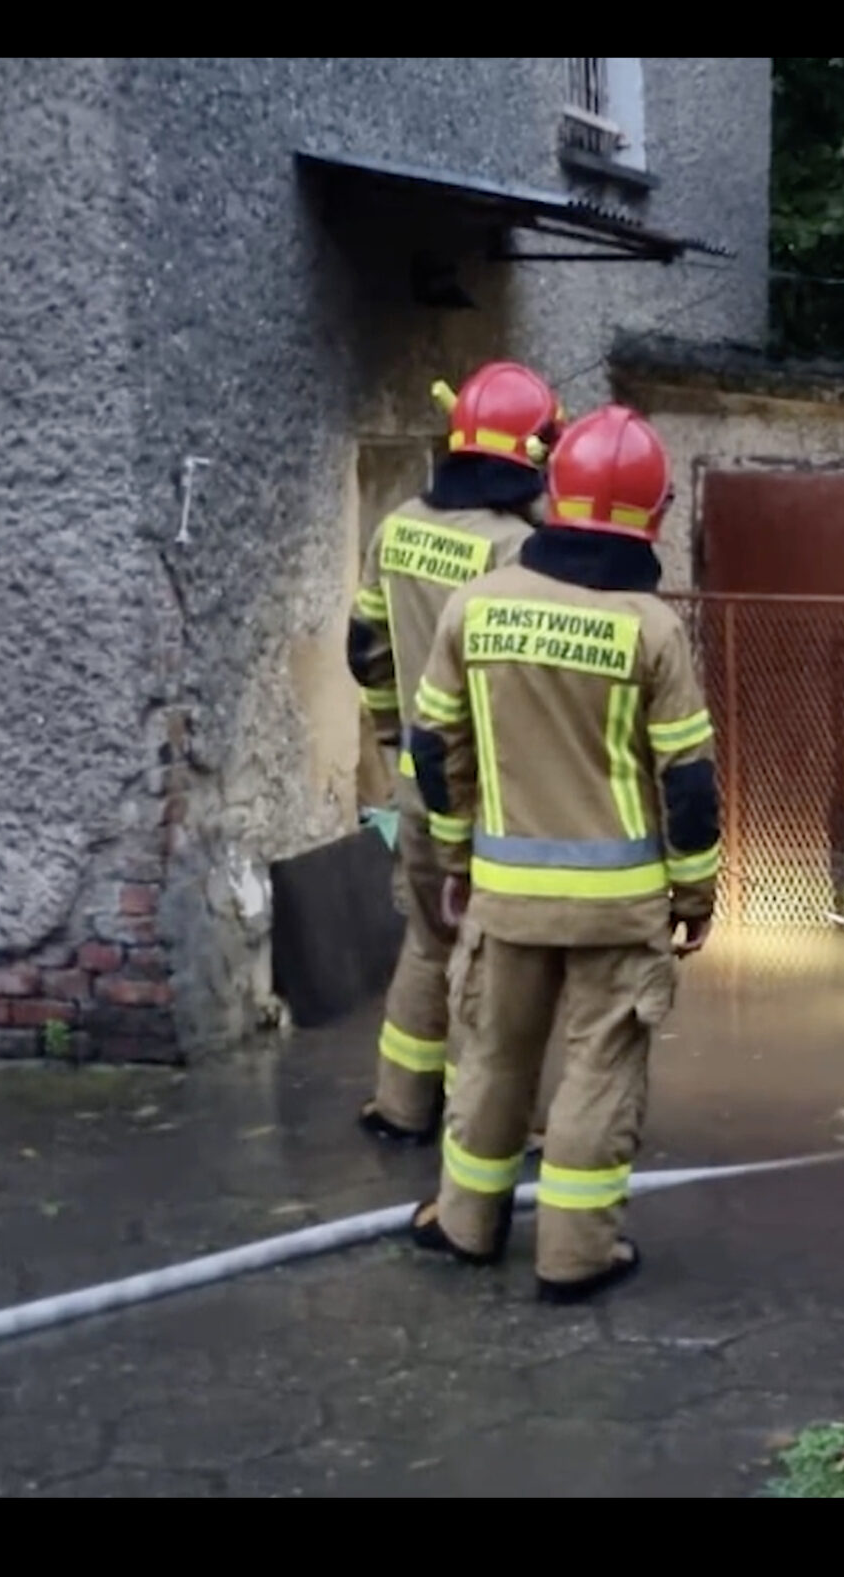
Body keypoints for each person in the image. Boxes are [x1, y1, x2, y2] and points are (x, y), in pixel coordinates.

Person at [404, 403, 720, 1304]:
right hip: (619, 910)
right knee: (596, 1071)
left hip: (504, 898)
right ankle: (576, 1257)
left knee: (493, 1057)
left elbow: (434, 750)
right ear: (650, 516)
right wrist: (695, 892)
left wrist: (459, 858)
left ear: (554, 492)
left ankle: (466, 1228)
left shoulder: (478, 605)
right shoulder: (650, 629)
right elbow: (688, 782)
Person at [349, 362, 564, 1146]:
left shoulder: (397, 525)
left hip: (416, 774)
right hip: (491, 796)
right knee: (492, 962)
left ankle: (399, 1107)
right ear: (526, 458)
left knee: (426, 940)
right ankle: (482, 1126)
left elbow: (365, 649)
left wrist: (387, 741)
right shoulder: (517, 552)